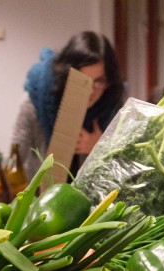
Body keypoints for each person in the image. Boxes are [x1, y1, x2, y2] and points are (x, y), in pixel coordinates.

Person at [11, 31, 126, 181]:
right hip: (40, 195)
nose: (91, 90)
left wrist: (100, 148)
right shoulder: (36, 98)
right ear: (67, 75)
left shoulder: (113, 105)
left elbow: (124, 169)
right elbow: (16, 156)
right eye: (83, 79)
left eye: (98, 81)